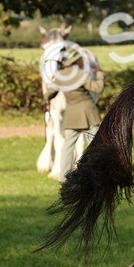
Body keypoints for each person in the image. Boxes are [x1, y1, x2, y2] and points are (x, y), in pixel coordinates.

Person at [49, 45, 104, 182]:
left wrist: (53, 80)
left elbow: (49, 94)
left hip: (71, 114)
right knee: (97, 144)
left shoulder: (61, 76)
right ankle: (99, 174)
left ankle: (63, 177)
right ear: (75, 61)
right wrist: (99, 74)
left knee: (67, 147)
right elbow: (97, 88)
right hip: (88, 113)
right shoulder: (81, 74)